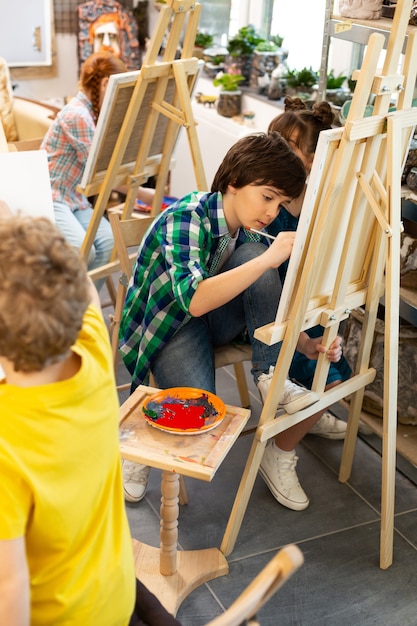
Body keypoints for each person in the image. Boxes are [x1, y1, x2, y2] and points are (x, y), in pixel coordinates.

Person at [118, 132, 344, 510]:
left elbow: (265, 301)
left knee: (256, 253)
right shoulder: (186, 217)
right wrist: (268, 258)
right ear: (233, 182)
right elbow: (192, 301)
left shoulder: (249, 227)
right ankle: (137, 451)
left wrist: (304, 342)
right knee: (198, 412)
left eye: (281, 203)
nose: (272, 211)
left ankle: (270, 376)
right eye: (267, 196)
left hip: (212, 320)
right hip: (169, 327)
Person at [0, 202, 180, 626]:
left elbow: (10, 588)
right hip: (114, 598)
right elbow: (73, 279)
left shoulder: (7, 443)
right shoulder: (96, 354)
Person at [40, 51, 154, 287]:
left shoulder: (90, 115)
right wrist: (144, 193)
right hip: (53, 197)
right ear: (105, 84)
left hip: (75, 199)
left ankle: (86, 311)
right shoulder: (77, 115)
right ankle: (68, 310)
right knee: (84, 252)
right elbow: (102, 174)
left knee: (109, 242)